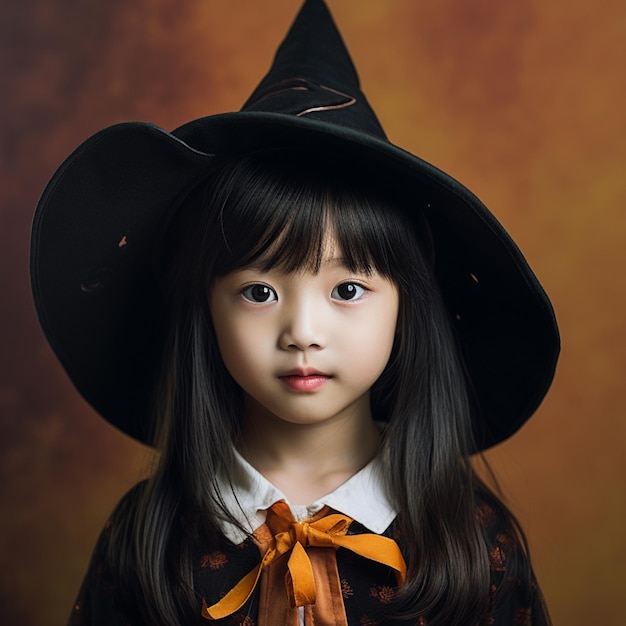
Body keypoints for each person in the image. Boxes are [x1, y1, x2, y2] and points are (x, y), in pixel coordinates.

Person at [30, 1, 559, 625]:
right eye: (259, 293)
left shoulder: (475, 544)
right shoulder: (145, 539)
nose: (303, 334)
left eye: (348, 290)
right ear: (207, 310)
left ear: (406, 307)